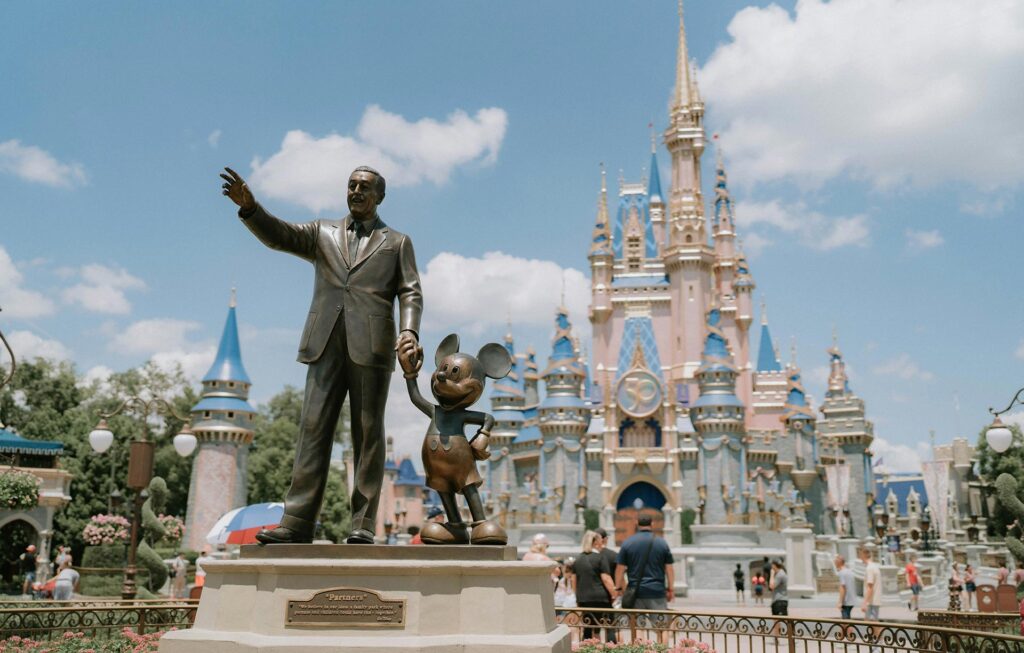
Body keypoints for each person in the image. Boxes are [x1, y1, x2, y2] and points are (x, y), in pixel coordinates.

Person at [221, 166, 423, 545]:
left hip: (373, 346)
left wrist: (409, 331)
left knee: (368, 436)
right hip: (323, 342)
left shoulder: (397, 242)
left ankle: (363, 523)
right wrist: (251, 209)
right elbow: (280, 235)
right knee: (312, 430)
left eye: (364, 187)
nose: (356, 191)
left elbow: (410, 291)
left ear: (380, 196)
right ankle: (297, 521)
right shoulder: (322, 232)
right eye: (351, 185)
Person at [615, 514, 674, 643]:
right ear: (652, 524)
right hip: (657, 591)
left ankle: (639, 650)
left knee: (637, 627)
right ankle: (661, 651)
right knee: (662, 628)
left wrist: (618, 588)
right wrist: (671, 589)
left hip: (636, 592)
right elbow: (669, 568)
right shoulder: (661, 543)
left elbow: (620, 568)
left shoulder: (628, 543)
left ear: (636, 523)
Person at [574, 530, 617, 642]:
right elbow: (606, 579)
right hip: (601, 598)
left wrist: (577, 597)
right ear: (595, 542)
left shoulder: (578, 559)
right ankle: (612, 648)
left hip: (584, 598)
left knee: (588, 628)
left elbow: (574, 581)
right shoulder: (600, 558)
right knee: (609, 626)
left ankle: (586, 648)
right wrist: (614, 594)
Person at [835, 555, 857, 619]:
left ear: (839, 562)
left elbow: (843, 587)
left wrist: (840, 602)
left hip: (846, 601)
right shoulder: (850, 572)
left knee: (845, 621)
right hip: (852, 600)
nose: (835, 563)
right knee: (847, 619)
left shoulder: (842, 573)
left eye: (835, 562)